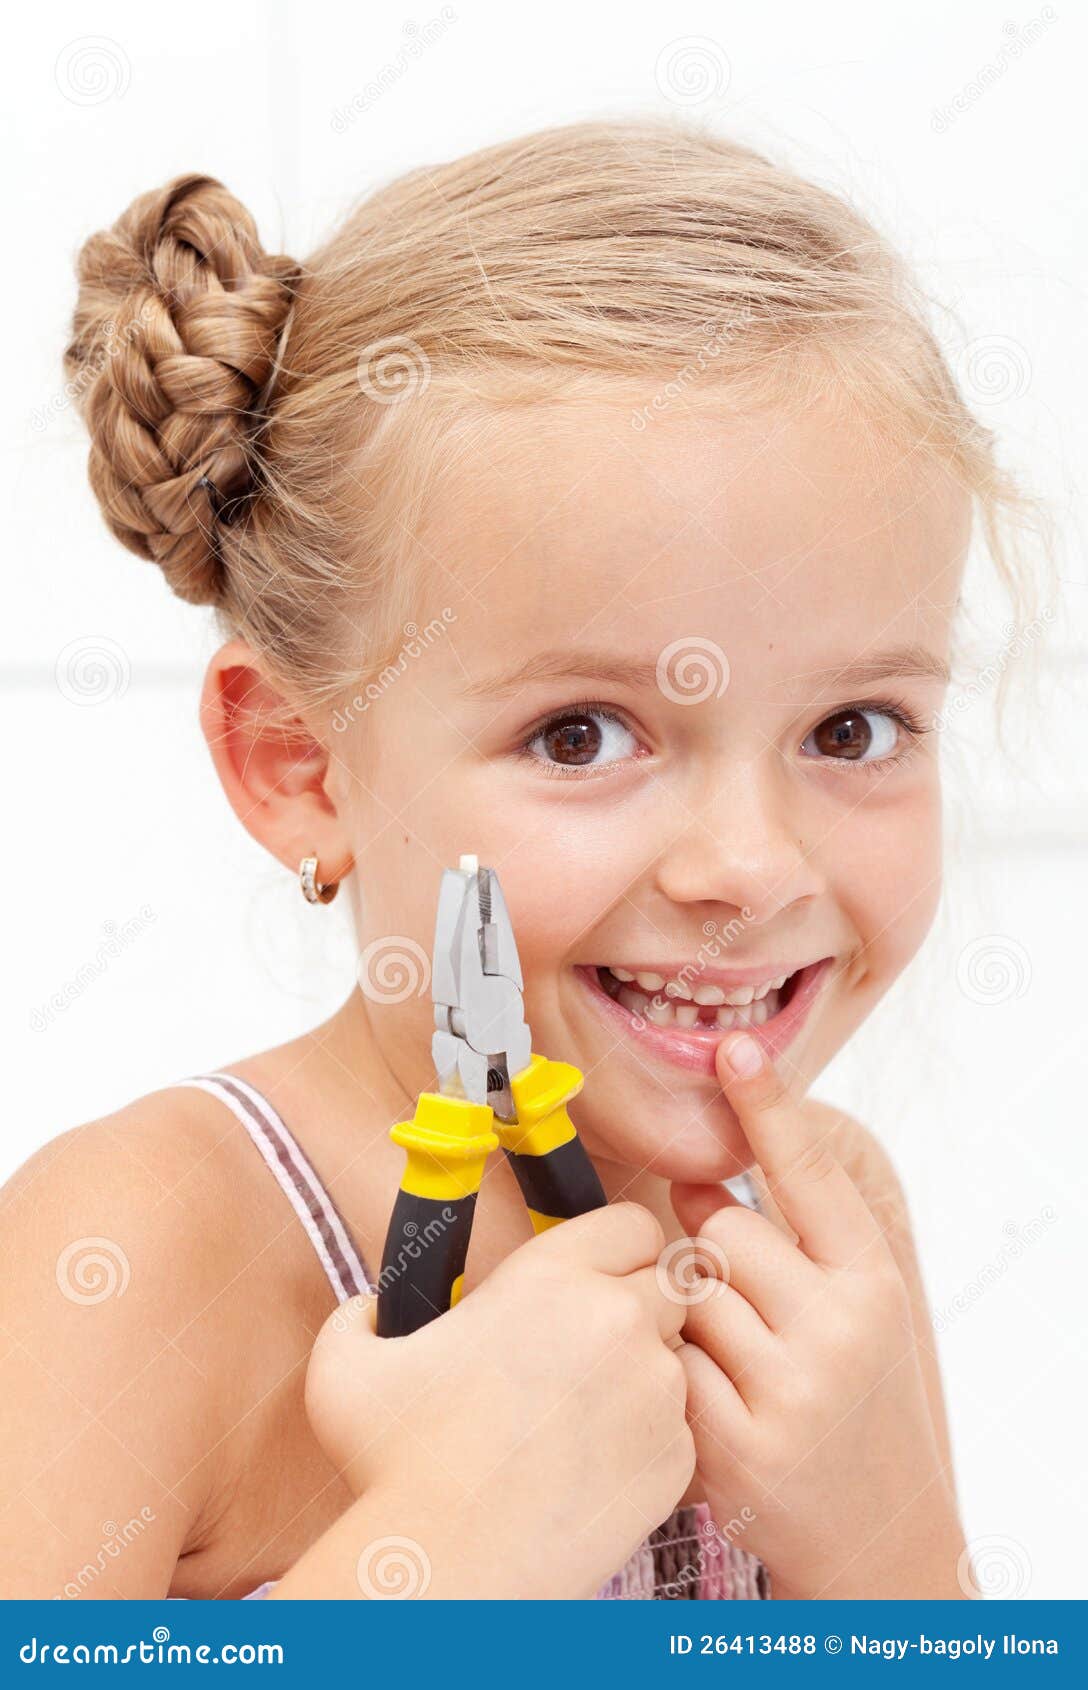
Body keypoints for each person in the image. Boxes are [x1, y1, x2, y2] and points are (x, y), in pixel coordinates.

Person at [3, 116, 1040, 1600]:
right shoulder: (139, 1249)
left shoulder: (826, 1232)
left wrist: (895, 1555)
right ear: (299, 764)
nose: (750, 868)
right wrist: (446, 1548)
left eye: (853, 728)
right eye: (580, 735)